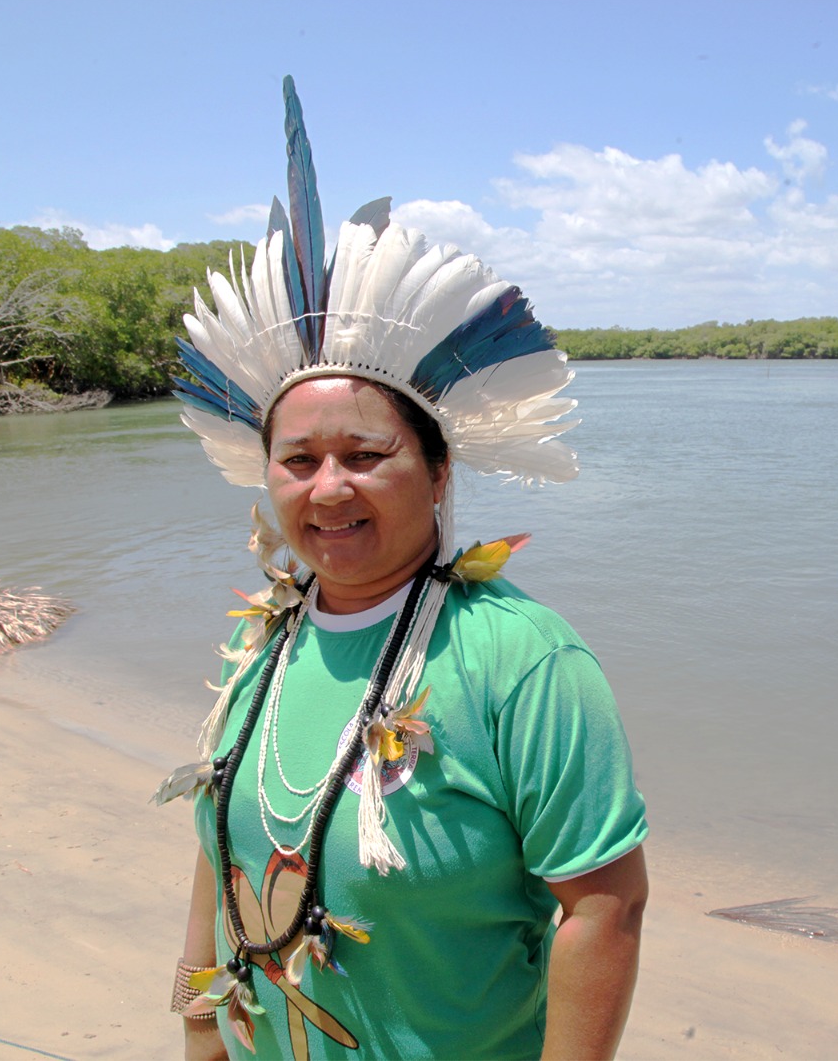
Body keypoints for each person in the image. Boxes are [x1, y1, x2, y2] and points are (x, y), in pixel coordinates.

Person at [156, 77, 648, 1061]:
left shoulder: (522, 660)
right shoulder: (263, 639)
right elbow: (218, 860)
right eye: (298, 460)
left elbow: (602, 907)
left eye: (365, 453)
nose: (328, 487)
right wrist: (203, 1034)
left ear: (438, 471)